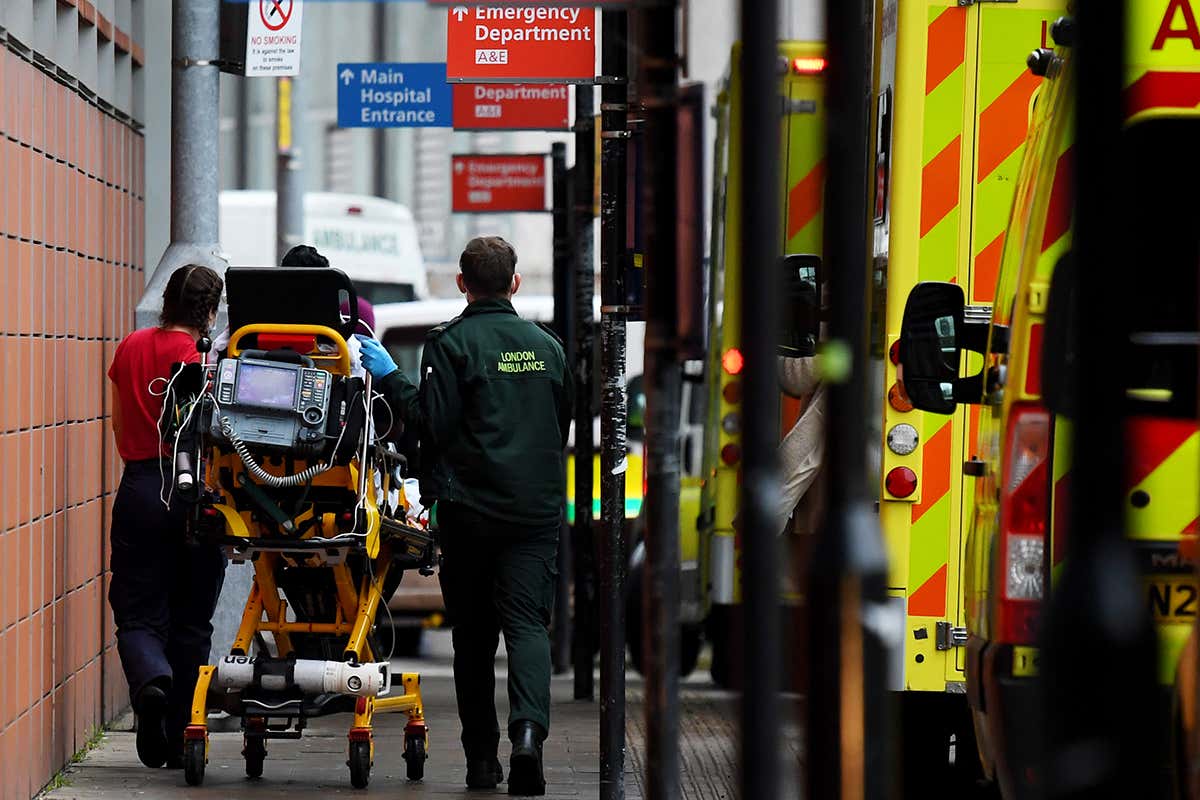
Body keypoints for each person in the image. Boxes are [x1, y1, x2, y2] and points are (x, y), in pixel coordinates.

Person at [357, 236, 573, 795]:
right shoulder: (547, 348)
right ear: (515, 283)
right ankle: (528, 737)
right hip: (533, 513)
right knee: (528, 627)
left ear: (462, 284)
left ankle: (482, 762)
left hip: (469, 513)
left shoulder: (451, 346)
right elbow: (562, 422)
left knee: (474, 638)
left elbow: (430, 423)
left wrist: (390, 377)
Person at [106, 264, 227, 769]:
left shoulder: (131, 346)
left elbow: (117, 421)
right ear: (212, 312)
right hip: (197, 491)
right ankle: (180, 737)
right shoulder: (207, 359)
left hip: (139, 484)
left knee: (137, 611)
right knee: (192, 621)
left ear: (166, 301)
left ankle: (151, 680)